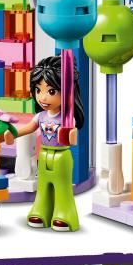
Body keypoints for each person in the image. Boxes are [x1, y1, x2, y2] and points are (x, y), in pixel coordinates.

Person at [8, 56, 84, 232]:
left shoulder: (66, 118)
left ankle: (64, 213)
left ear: (66, 92)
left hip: (61, 156)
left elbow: (72, 136)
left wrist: (71, 135)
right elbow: (28, 128)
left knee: (62, 187)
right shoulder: (41, 116)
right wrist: (12, 134)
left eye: (51, 91)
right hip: (44, 154)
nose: (43, 97)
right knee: (43, 185)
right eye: (38, 90)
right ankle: (41, 209)